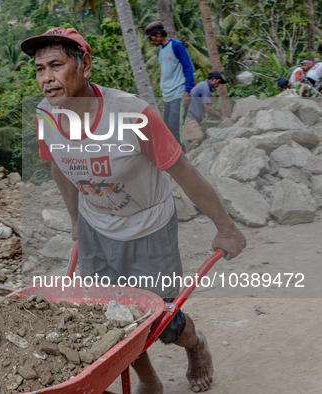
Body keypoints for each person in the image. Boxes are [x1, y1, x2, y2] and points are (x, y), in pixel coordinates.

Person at [21, 27, 246, 394]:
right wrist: (76, 220)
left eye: (56, 65)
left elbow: (184, 170)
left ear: (85, 64)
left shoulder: (131, 114)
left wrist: (226, 226)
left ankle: (196, 344)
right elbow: (58, 167)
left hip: (148, 227)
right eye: (39, 69)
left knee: (160, 320)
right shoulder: (47, 115)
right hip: (96, 225)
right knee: (110, 316)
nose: (46, 78)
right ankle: (148, 379)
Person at [144, 21, 194, 146]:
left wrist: (187, 91)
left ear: (159, 34)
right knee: (167, 128)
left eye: (151, 38)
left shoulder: (176, 45)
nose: (151, 42)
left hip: (179, 93)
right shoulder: (160, 50)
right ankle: (177, 159)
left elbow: (188, 68)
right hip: (167, 95)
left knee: (174, 127)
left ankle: (182, 159)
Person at [182, 71, 227, 152]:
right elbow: (208, 108)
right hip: (189, 117)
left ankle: (191, 158)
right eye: (218, 82)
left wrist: (202, 118)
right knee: (199, 137)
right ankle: (187, 158)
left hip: (192, 117)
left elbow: (199, 104)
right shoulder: (205, 87)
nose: (218, 85)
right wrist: (220, 117)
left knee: (198, 140)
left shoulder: (203, 85)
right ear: (213, 79)